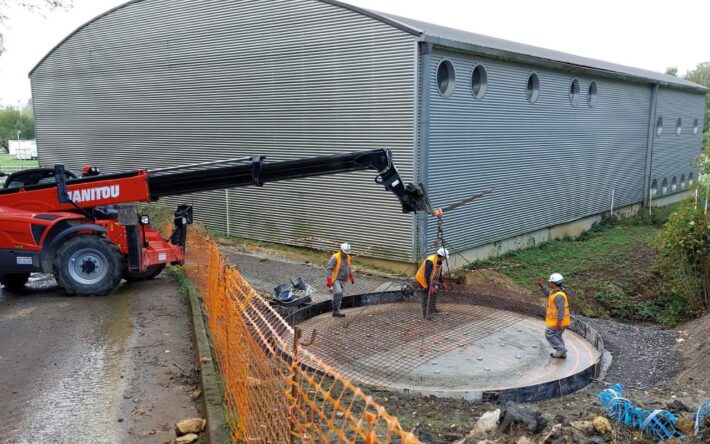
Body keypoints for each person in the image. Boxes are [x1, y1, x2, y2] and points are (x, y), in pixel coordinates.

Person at [536, 273, 570, 359]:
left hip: (558, 322)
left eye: (550, 282)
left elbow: (561, 310)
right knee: (557, 336)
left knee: (549, 334)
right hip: (559, 322)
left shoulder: (559, 296)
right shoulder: (555, 293)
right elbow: (549, 295)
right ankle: (562, 353)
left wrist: (559, 322)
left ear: (554, 283)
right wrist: (542, 286)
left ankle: (561, 350)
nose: (549, 284)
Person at [415, 247, 449, 319]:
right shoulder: (430, 261)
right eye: (445, 257)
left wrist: (442, 282)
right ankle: (426, 314)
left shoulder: (439, 262)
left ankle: (433, 309)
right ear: (442, 256)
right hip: (422, 279)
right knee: (426, 295)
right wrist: (430, 287)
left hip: (429, 279)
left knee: (434, 293)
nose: (445, 259)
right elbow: (427, 275)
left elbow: (438, 273)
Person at [326, 243, 355, 317]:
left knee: (340, 295)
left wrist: (351, 277)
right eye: (345, 253)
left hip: (343, 280)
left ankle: (336, 311)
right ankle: (335, 310)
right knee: (338, 292)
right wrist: (329, 280)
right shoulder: (335, 258)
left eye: (347, 253)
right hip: (336, 279)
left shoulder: (348, 257)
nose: (346, 255)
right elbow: (329, 269)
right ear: (341, 251)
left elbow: (348, 267)